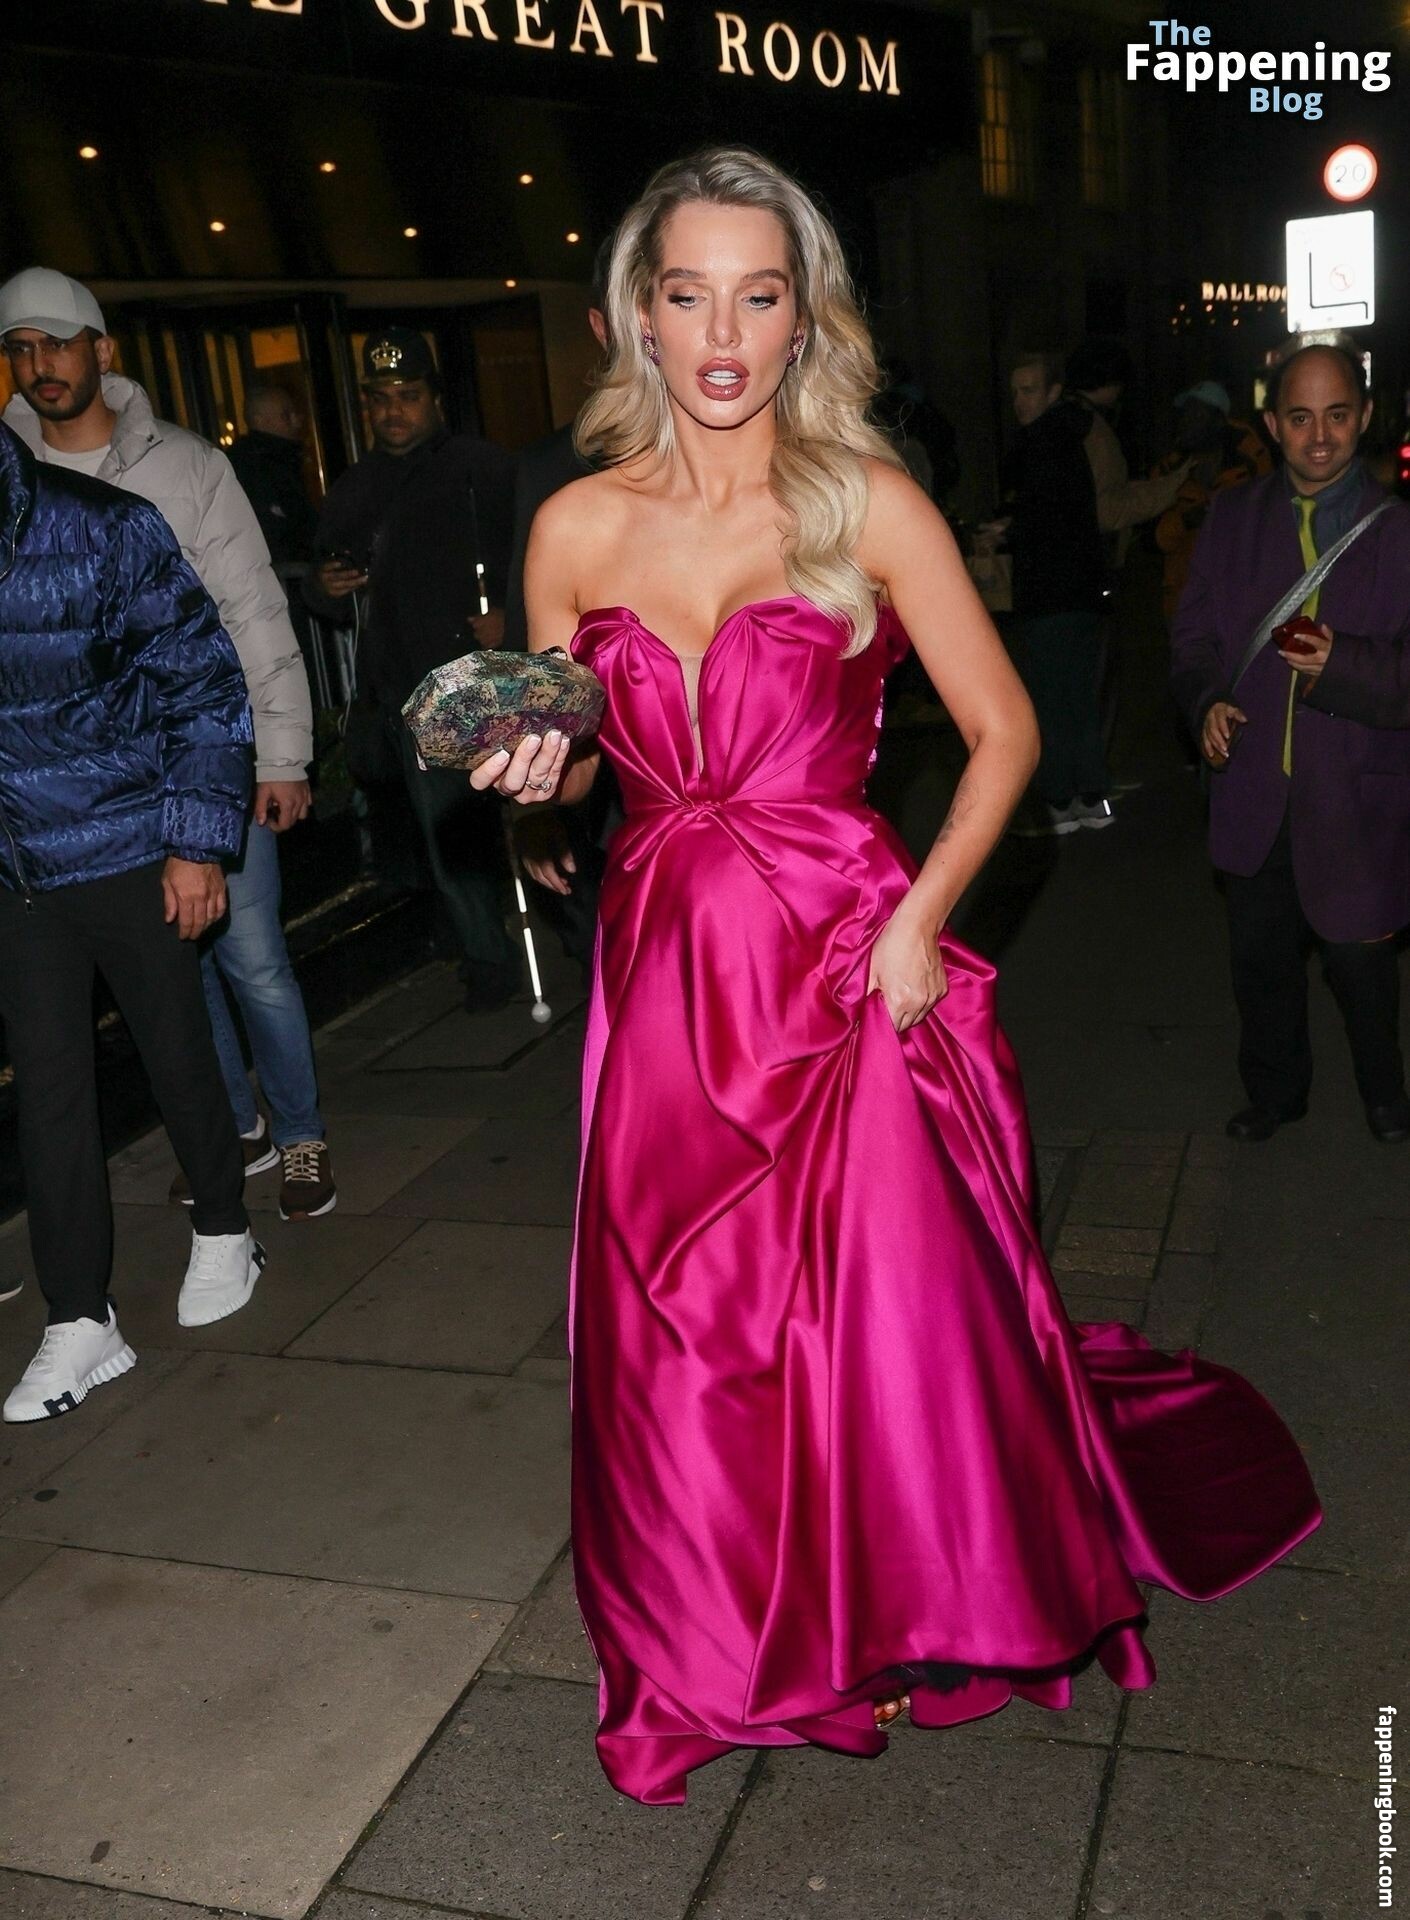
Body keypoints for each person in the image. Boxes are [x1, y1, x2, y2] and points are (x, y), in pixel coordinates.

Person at [472, 147, 1320, 1806]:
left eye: (759, 295)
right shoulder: (571, 527)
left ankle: (889, 1600)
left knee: (869, 1326)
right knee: (684, 1324)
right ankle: (711, 1638)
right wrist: (524, 786)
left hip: (844, 964)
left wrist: (921, 918)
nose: (724, 333)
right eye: (689, 294)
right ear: (637, 315)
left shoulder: (866, 503)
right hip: (667, 976)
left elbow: (1004, 734)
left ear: (805, 320)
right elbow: (564, 767)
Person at [0, 268, 336, 1219]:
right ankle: (231, 1131)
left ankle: (302, 1135)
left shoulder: (186, 465)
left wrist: (282, 754)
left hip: (210, 754)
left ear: (101, 351)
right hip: (87, 798)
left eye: (58, 343)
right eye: (20, 349)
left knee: (253, 958)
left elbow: (252, 609)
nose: (40, 364)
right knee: (173, 980)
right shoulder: (11, 480)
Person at [0, 419, 264, 1420]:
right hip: (16, 873)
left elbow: (204, 683)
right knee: (49, 1091)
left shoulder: (103, 528)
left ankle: (227, 1226)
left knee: (175, 1047)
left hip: (126, 846)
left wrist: (197, 843)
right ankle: (80, 1315)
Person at [1171, 336, 1410, 1145]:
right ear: (1271, 424)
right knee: (1261, 962)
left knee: (1361, 965)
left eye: (1337, 416)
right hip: (1255, 792)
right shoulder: (1232, 519)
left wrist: (1344, 664)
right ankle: (1275, 1093)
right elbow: (1194, 639)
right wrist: (1207, 701)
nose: (1319, 437)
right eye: (1300, 418)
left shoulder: (1396, 533)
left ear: (1365, 417)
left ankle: (1385, 1093)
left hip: (1356, 793)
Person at [303, 329, 522, 1011]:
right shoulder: (354, 487)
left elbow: (540, 557)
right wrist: (324, 587)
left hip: (467, 686)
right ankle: (468, 943)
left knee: (466, 825)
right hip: (392, 688)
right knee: (424, 833)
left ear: (433, 398)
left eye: (407, 395)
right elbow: (327, 580)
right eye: (380, 399)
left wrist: (510, 614)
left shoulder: (484, 470)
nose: (393, 410)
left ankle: (494, 958)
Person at [503, 240, 617, 974]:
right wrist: (533, 808)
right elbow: (533, 652)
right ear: (602, 327)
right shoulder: (551, 471)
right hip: (609, 796)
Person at [998, 351, 1112, 834]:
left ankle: (1063, 799)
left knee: (1050, 699)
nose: (1019, 401)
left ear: (1052, 392)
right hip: (1080, 590)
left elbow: (1047, 521)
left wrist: (1010, 532)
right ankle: (1090, 797)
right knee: (1078, 697)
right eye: (1015, 392)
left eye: (1029, 390)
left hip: (1050, 592)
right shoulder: (1073, 435)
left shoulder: (1041, 443)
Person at [1151, 380, 1271, 621]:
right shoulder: (1169, 471)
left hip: (1237, 601)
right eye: (1185, 414)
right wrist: (1186, 521)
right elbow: (1152, 540)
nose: (1186, 422)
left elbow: (1270, 527)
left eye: (1197, 414)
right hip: (1186, 603)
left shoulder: (1250, 464)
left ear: (1219, 421)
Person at [228, 383, 318, 573]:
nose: (296, 421)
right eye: (286, 415)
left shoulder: (279, 459)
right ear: (260, 421)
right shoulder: (257, 466)